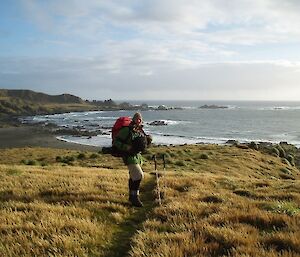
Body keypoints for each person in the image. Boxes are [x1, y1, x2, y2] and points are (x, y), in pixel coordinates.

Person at [113, 112, 151, 207]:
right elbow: (116, 141)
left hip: (137, 156)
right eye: (136, 118)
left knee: (133, 177)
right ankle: (135, 198)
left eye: (140, 119)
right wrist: (126, 147)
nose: (138, 120)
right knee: (139, 176)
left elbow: (142, 143)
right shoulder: (127, 130)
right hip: (129, 156)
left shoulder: (140, 130)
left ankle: (132, 197)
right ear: (133, 119)